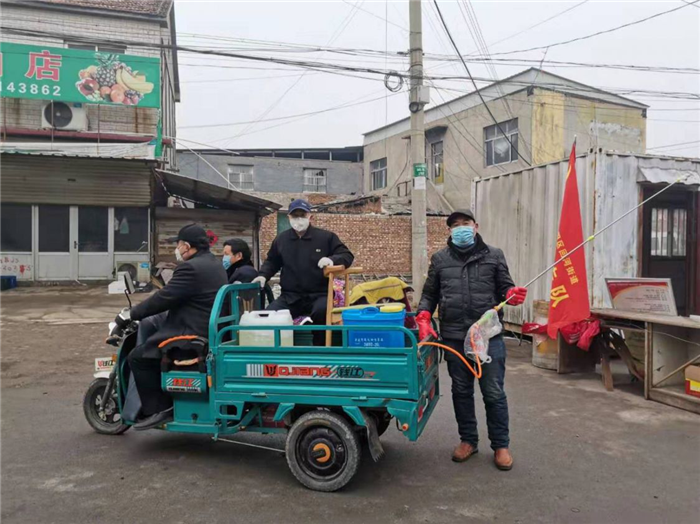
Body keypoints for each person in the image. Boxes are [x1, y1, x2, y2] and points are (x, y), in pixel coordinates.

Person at [415, 209, 527, 471]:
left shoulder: (494, 255)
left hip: (488, 336)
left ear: (475, 226)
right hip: (454, 337)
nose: (461, 228)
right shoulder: (440, 259)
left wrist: (512, 293)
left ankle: (500, 445)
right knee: (461, 391)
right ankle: (468, 440)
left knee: (494, 392)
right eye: (455, 225)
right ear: (449, 231)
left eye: (465, 223)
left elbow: (505, 289)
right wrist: (422, 316)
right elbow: (429, 294)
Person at [116, 224, 227, 430]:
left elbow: (163, 298)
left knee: (138, 357)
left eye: (178, 244)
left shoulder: (190, 268)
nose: (177, 249)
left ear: (186, 245)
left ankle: (160, 409)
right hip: (206, 325)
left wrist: (130, 314)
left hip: (192, 331)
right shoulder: (214, 263)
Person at [254, 198, 354, 345]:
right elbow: (272, 261)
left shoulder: (326, 237)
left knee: (322, 313)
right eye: (295, 216)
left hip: (319, 294)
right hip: (290, 296)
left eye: (302, 215)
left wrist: (332, 260)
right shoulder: (281, 240)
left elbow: (347, 255)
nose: (298, 219)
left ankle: (319, 351)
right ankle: (278, 351)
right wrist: (262, 276)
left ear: (310, 217)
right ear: (288, 217)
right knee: (269, 315)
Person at [222, 237, 274, 304]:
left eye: (226, 254)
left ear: (239, 255)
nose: (223, 258)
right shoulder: (235, 270)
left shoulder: (245, 274)